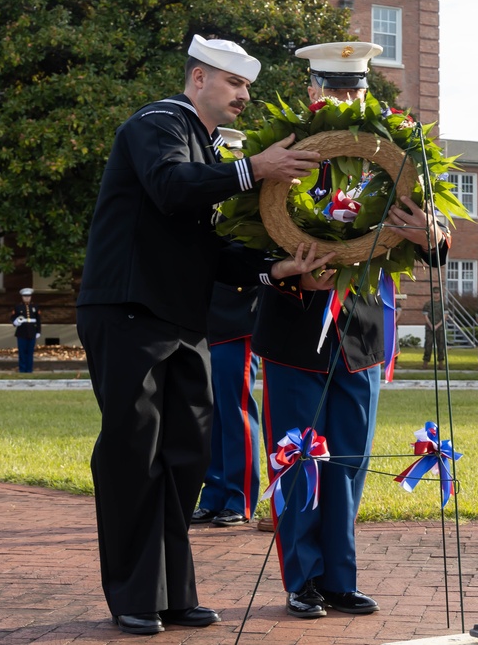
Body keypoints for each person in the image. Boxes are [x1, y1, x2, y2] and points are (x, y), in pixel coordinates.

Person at [75, 33, 329, 636]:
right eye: (233, 83)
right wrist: (253, 169)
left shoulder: (207, 151)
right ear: (197, 80)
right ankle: (134, 596)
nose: (244, 95)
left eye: (246, 85)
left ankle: (173, 595)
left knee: (185, 455)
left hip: (183, 320)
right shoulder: (159, 122)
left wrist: (275, 269)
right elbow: (169, 187)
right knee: (133, 455)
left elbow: (206, 248)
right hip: (129, 310)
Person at [253, 41, 451, 620]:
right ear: (313, 90)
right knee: (296, 458)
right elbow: (251, 239)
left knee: (348, 462)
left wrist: (429, 235)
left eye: (355, 88)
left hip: (361, 334)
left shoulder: (394, 151)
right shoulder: (283, 150)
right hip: (294, 330)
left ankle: (340, 578)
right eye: (334, 89)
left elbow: (434, 232)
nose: (345, 99)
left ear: (368, 91)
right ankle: (302, 581)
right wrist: (294, 277)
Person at [191, 128, 266, 529]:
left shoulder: (249, 203)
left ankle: (239, 497)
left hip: (236, 315)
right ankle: (214, 493)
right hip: (204, 317)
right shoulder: (204, 198)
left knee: (234, 411)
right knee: (210, 412)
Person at [11, 287, 41, 373]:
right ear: (22, 297)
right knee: (22, 352)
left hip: (32, 332)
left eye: (28, 296)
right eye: (25, 296)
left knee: (30, 352)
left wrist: (38, 331)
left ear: (31, 297)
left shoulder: (35, 307)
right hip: (21, 333)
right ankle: (22, 369)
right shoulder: (18, 307)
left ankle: (29, 369)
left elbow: (38, 320)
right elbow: (12, 318)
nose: (27, 298)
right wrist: (15, 322)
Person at [421, 286, 448, 369]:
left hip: (440, 328)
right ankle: (425, 363)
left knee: (441, 346)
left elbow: (445, 316)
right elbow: (425, 316)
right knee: (428, 345)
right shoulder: (428, 304)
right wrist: (431, 325)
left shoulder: (443, 304)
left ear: (440, 294)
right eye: (435, 293)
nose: (436, 295)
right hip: (430, 328)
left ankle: (441, 364)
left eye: (437, 293)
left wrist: (437, 325)